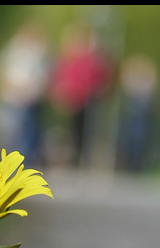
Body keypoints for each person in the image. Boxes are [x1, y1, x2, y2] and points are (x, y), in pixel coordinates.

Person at [49, 22, 114, 168]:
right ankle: (69, 158)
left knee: (87, 130)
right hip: (72, 100)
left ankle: (83, 158)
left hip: (89, 100)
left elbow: (103, 78)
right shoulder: (68, 57)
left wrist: (100, 90)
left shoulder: (95, 59)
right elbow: (60, 77)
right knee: (69, 130)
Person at [0, 22, 50, 165]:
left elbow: (42, 78)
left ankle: (23, 162)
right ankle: (8, 163)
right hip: (9, 99)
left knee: (26, 134)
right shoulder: (10, 52)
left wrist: (30, 91)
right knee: (9, 133)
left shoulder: (38, 54)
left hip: (29, 101)